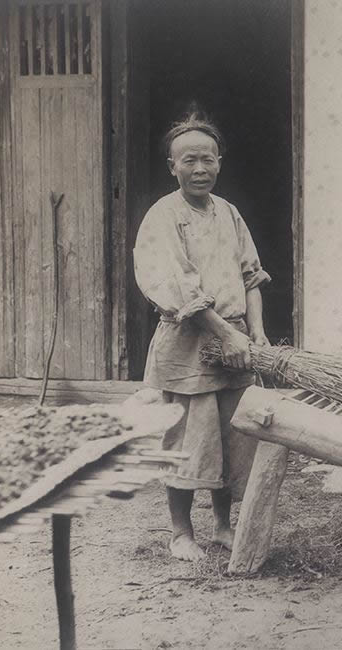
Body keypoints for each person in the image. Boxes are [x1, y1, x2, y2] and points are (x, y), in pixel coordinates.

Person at [133, 111, 271, 561]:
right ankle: (180, 533)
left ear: (219, 162)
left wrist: (257, 334)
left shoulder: (229, 213)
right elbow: (179, 290)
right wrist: (225, 335)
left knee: (236, 437)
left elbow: (251, 278)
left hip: (234, 343)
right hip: (187, 342)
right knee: (191, 441)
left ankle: (223, 527)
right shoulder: (163, 217)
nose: (199, 169)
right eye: (188, 160)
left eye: (207, 159)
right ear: (171, 166)